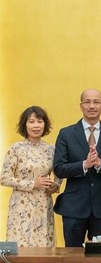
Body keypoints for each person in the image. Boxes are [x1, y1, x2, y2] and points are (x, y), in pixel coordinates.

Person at [53, 89, 101, 247]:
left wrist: (99, 164)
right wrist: (84, 164)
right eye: (87, 102)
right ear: (81, 105)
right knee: (71, 255)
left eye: (96, 102)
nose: (92, 106)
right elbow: (59, 168)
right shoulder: (66, 133)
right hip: (73, 206)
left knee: (100, 254)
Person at [1, 106, 61, 247]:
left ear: (44, 124)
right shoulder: (15, 149)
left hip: (43, 203)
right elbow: (4, 178)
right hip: (21, 205)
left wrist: (56, 185)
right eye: (31, 122)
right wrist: (32, 183)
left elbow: (59, 173)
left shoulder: (51, 149)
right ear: (24, 125)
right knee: (22, 246)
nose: (36, 126)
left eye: (39, 121)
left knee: (44, 245)